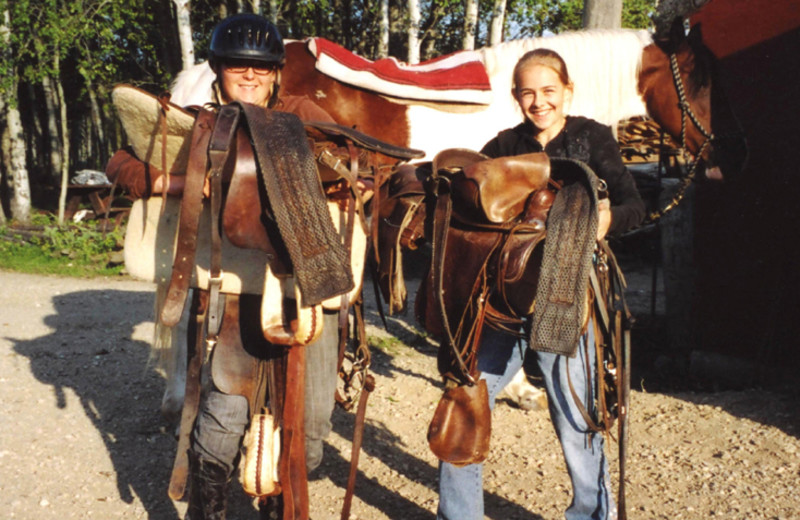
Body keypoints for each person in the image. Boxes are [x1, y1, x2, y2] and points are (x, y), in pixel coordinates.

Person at [107, 14, 348, 520]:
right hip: (227, 283)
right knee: (222, 411)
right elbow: (121, 161)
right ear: (218, 68)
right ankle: (208, 511)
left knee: (311, 422)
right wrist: (175, 184)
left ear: (278, 72)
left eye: (261, 68)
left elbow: (353, 153)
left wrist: (352, 176)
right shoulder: (197, 121)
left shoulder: (303, 114)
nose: (251, 75)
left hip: (302, 283)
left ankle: (283, 501)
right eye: (239, 65)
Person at [436, 49, 645, 520]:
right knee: (465, 399)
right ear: (516, 97)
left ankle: (593, 514)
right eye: (528, 92)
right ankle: (458, 515)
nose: (539, 101)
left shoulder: (592, 139)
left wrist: (606, 220)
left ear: (567, 92)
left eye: (549, 91)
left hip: (567, 297)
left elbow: (636, 205)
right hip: (503, 301)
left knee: (575, 417)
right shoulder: (503, 146)